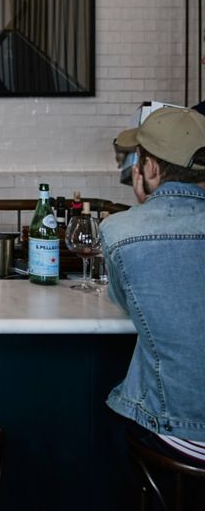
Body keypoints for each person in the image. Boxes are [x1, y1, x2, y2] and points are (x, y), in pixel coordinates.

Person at [105, 107, 205, 462]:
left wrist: (146, 207)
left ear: (149, 167)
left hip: (178, 433)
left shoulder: (120, 231)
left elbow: (125, 301)